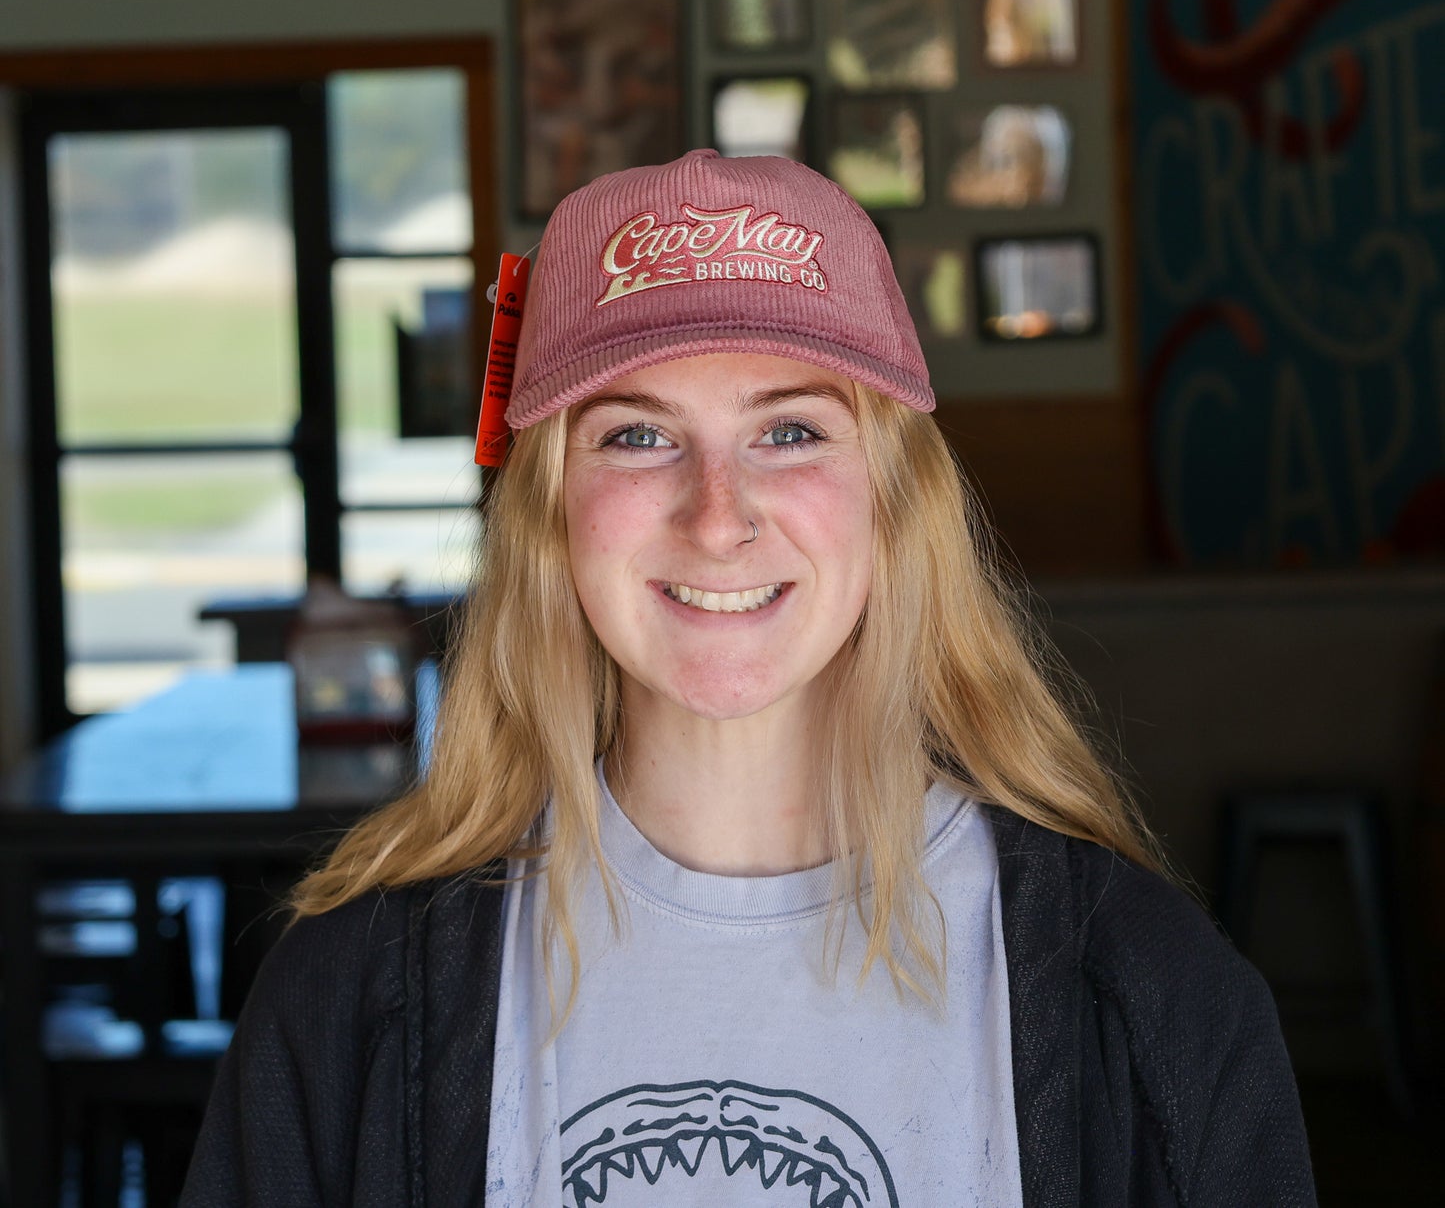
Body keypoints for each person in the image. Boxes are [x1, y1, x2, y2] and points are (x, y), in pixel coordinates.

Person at [182, 150, 1317, 1206]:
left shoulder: (1150, 996)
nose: (717, 517)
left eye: (790, 431)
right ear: (548, 515)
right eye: (636, 435)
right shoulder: (349, 1002)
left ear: (893, 499)